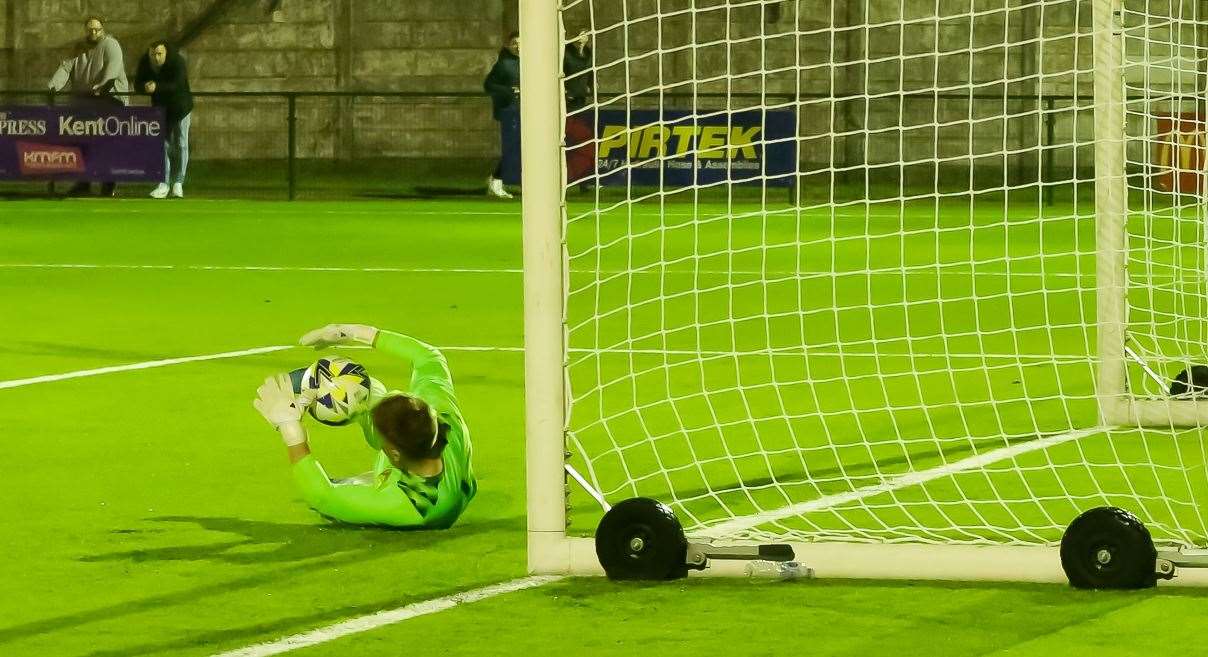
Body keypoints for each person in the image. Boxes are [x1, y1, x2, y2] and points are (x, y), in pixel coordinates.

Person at [252, 324, 477, 529]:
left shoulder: (410, 504)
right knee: (372, 400)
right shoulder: (444, 416)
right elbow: (428, 356)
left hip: (426, 500)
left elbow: (322, 497)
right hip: (435, 470)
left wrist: (290, 428)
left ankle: (375, 480)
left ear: (393, 454)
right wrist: (351, 331)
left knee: (337, 511)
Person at [47, 16, 129, 197]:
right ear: (85, 30)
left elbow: (112, 70)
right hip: (84, 102)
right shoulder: (79, 47)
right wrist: (53, 85)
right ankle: (83, 182)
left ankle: (108, 184)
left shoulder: (111, 45)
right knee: (82, 143)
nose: (93, 32)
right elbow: (66, 67)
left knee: (106, 144)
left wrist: (101, 86)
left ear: (103, 29)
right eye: (90, 29)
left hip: (110, 101)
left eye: (97, 29)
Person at [135, 40, 193, 199]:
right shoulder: (145, 62)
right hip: (160, 108)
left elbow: (178, 84)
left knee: (181, 143)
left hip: (181, 107)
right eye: (153, 54)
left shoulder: (177, 62)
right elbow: (137, 84)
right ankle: (164, 183)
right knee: (162, 144)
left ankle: (178, 183)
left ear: (166, 53)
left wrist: (157, 87)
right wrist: (145, 87)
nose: (156, 57)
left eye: (159, 54)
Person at [483, 31, 520, 199]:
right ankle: (496, 180)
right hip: (509, 111)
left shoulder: (529, 62)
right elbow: (489, 85)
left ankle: (498, 180)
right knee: (513, 148)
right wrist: (510, 92)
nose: (518, 46)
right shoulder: (503, 64)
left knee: (521, 148)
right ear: (508, 45)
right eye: (515, 43)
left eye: (521, 43)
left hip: (524, 110)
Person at [564, 29, 594, 112]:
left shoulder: (588, 52)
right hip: (569, 95)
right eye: (581, 35)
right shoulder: (567, 51)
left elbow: (590, 69)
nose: (583, 38)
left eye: (585, 35)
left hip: (582, 94)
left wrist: (591, 83)